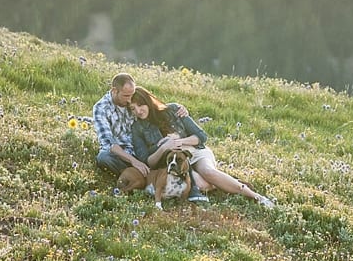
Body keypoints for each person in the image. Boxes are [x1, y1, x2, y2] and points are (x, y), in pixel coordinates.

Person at [130, 86, 275, 208]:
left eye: (140, 105)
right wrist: (163, 148)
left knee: (208, 172)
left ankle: (256, 197)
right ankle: (229, 181)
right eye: (133, 109)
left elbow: (201, 136)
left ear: (148, 101)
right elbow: (147, 161)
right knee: (201, 184)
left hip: (195, 152)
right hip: (176, 164)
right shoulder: (137, 128)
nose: (138, 111)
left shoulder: (173, 109)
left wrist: (180, 141)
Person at [92, 72, 194, 190]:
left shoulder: (131, 100)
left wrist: (178, 108)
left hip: (143, 149)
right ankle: (138, 177)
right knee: (103, 157)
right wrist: (134, 161)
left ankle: (147, 176)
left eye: (132, 95)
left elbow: (151, 106)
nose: (130, 100)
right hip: (121, 155)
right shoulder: (101, 108)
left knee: (163, 147)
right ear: (115, 91)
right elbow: (109, 144)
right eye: (126, 96)